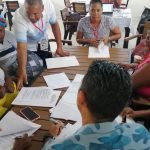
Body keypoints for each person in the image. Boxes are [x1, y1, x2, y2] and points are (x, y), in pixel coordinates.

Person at [13, 60, 150, 150]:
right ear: (123, 105)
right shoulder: (141, 133)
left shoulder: (57, 147)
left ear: (80, 98)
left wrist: (51, 138)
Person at [13, 0, 69, 89]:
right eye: (28, 12)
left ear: (42, 8)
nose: (31, 17)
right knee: (32, 72)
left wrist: (59, 47)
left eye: (35, 13)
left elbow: (54, 25)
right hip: (29, 48)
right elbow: (21, 46)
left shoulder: (48, 5)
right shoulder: (19, 16)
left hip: (43, 41)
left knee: (47, 69)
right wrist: (22, 69)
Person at [0, 15, 43, 86]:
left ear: (4, 28)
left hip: (17, 60)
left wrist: (21, 67)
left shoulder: (9, 35)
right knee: (28, 73)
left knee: (39, 63)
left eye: (0, 30)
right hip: (8, 68)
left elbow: (20, 50)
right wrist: (7, 77)